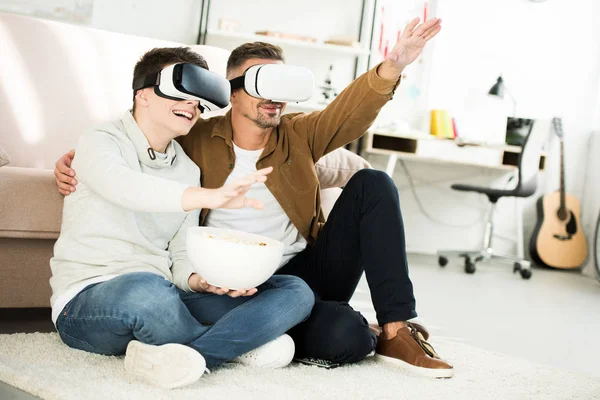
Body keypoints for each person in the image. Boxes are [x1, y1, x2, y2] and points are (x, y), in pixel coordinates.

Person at [56, 17, 453, 378]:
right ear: (232, 92)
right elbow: (131, 158)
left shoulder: (293, 135)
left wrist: (393, 66)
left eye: (282, 85)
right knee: (343, 337)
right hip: (215, 281)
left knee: (373, 184)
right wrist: (75, 161)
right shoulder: (191, 139)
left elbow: (348, 115)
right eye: (261, 82)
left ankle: (395, 328)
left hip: (296, 275)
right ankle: (246, 340)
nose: (274, 96)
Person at [49, 46, 315, 389]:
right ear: (143, 94)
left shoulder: (187, 169)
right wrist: (210, 196)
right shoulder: (101, 140)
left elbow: (178, 254)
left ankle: (196, 356)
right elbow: (124, 186)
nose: (192, 106)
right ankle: (233, 345)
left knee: (294, 290)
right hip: (88, 303)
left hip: (168, 297)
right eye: (182, 94)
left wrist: (200, 281)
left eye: (198, 101)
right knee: (145, 290)